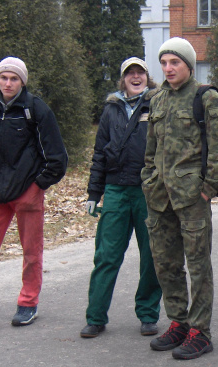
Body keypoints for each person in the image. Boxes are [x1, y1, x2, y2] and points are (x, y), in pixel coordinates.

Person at [142, 38, 218, 359]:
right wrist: (147, 179)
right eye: (164, 63)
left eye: (175, 62)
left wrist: (209, 187)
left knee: (197, 266)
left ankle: (200, 331)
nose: (168, 68)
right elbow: (150, 150)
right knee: (166, 265)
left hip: (193, 198)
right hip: (159, 197)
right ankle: (178, 322)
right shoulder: (156, 100)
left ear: (189, 66)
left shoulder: (206, 98)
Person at [0, 56, 68, 327]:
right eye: (4, 77)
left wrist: (38, 185)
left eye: (14, 78)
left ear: (22, 82)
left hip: (27, 192)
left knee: (31, 251)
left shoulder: (36, 109)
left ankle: (28, 303)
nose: (8, 83)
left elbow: (56, 156)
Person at [80, 58, 163, 338]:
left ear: (147, 77)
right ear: (123, 79)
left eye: (140, 72)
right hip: (115, 191)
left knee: (151, 255)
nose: (136, 77)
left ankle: (148, 314)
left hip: (147, 191)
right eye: (130, 73)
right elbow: (100, 153)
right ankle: (96, 316)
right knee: (106, 255)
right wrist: (94, 192)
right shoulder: (111, 109)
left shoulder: (157, 104)